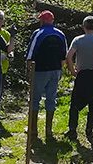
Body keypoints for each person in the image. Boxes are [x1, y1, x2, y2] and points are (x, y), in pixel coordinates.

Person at [65, 16, 93, 141]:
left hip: (83, 75)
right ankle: (89, 130)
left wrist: (73, 70)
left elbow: (69, 56)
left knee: (75, 104)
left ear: (83, 26)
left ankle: (72, 130)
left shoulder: (77, 40)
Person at [26, 10, 67, 141]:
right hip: (56, 70)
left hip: (40, 70)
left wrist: (28, 71)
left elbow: (31, 54)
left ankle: (33, 130)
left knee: (35, 98)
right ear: (52, 20)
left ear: (42, 21)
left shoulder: (38, 33)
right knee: (51, 98)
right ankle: (49, 131)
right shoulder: (60, 34)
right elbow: (64, 55)